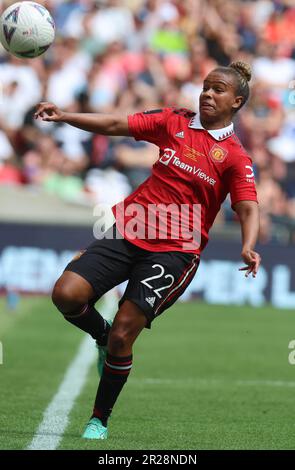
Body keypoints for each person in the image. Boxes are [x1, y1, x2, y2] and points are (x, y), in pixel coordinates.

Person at [35, 61, 261, 440]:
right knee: (66, 294)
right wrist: (64, 116)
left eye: (218, 89)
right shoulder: (173, 121)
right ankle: (102, 338)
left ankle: (98, 419)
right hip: (131, 227)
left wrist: (248, 245)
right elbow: (113, 125)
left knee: (126, 333)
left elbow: (248, 206)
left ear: (237, 101)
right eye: (206, 86)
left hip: (176, 250)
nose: (207, 93)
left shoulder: (236, 157)